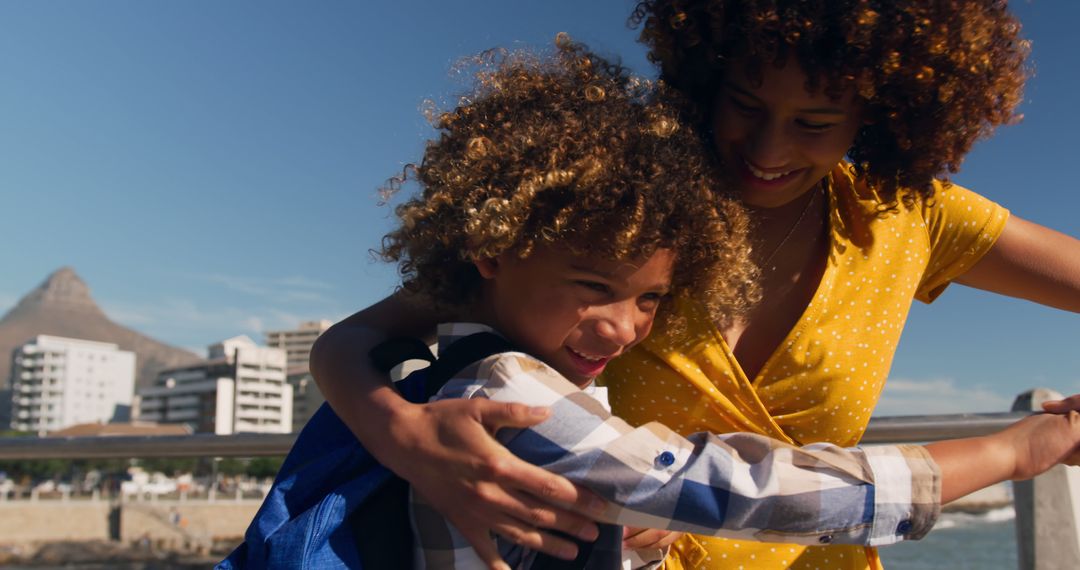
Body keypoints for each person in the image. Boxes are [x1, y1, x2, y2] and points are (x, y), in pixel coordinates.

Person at [311, 2, 1080, 569]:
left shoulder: (913, 218)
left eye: (815, 122)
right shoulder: (615, 206)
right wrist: (400, 435)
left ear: (878, 119)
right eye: (745, 104)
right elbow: (353, 339)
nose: (769, 148)